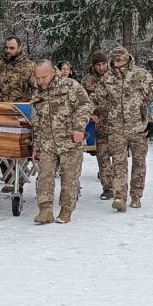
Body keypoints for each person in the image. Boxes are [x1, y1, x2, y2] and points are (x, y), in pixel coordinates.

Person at [92, 46, 153, 212]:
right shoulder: (108, 78)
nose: (116, 64)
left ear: (127, 59)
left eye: (119, 61)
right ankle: (119, 197)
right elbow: (95, 98)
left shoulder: (140, 74)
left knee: (139, 163)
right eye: (114, 61)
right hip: (115, 128)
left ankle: (136, 195)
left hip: (138, 127)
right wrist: (87, 110)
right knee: (119, 164)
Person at [29, 60, 91, 224]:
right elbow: (36, 123)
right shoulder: (37, 93)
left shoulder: (70, 86)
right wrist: (36, 146)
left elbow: (85, 105)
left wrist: (79, 127)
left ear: (53, 73)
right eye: (38, 78)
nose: (41, 81)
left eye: (44, 77)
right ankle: (45, 211)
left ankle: (66, 210)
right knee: (44, 177)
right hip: (47, 143)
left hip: (69, 142)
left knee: (69, 178)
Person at [0, 35, 36, 192]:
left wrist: (34, 108)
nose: (8, 51)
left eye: (12, 48)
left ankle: (19, 179)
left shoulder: (28, 66)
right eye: (6, 47)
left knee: (19, 147)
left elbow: (36, 88)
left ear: (19, 48)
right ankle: (9, 178)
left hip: (19, 112)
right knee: (2, 145)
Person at [81, 51, 115, 200]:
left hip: (116, 123)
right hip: (99, 124)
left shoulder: (115, 77)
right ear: (93, 66)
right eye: (98, 65)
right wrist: (90, 114)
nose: (101, 68)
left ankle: (119, 186)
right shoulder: (87, 81)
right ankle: (108, 188)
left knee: (119, 157)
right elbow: (82, 101)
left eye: (103, 64)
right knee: (103, 156)